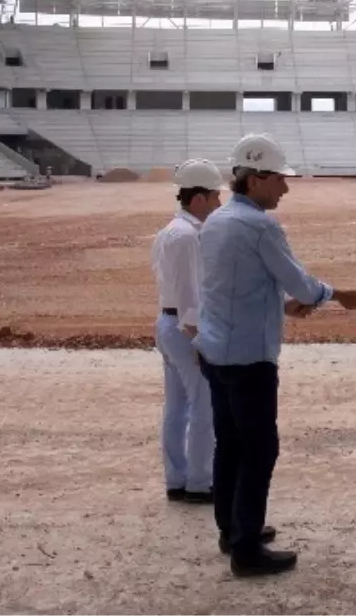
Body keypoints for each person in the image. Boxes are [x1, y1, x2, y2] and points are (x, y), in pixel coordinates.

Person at [195, 133, 356, 578]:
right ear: (255, 180)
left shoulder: (215, 221)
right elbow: (302, 284)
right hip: (248, 359)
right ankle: (247, 550)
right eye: (279, 180)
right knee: (258, 449)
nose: (285, 189)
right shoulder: (260, 226)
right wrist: (335, 294)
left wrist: (279, 305)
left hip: (215, 350)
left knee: (229, 444)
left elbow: (233, 286)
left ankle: (231, 529)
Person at [149, 159, 225, 506]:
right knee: (203, 405)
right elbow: (190, 296)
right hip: (184, 327)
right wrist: (199, 336)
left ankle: (177, 478)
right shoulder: (189, 236)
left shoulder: (169, 231)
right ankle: (199, 481)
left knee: (177, 407)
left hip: (167, 322)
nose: (218, 204)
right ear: (198, 199)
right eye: (214, 197)